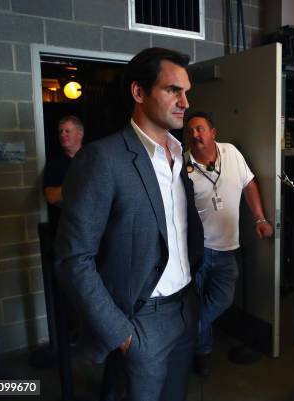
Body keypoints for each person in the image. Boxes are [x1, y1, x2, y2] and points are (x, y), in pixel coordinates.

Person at [53, 47, 204, 401]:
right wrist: (122, 334)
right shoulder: (102, 159)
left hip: (184, 310)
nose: (184, 101)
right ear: (139, 92)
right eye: (173, 90)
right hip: (140, 321)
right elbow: (73, 259)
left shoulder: (181, 156)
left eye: (186, 92)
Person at [184, 111, 274, 377]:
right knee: (198, 301)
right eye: (190, 131)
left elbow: (249, 184)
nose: (195, 135)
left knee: (221, 299)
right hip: (198, 250)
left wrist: (260, 218)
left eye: (200, 129)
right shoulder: (182, 165)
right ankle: (202, 351)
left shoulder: (231, 153)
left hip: (227, 248)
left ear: (213, 133)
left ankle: (187, 334)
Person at [43, 115, 84, 230]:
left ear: (80, 134)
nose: (62, 134)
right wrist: (81, 185)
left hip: (93, 226)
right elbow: (51, 196)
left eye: (67, 131)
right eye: (60, 131)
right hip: (64, 227)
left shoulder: (94, 159)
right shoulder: (54, 164)